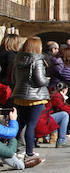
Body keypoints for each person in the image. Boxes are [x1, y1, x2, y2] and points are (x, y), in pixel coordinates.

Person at [11, 36, 49, 164]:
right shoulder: (37, 60)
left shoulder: (18, 59)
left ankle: (18, 150)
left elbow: (13, 78)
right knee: (31, 124)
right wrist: (48, 80)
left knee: (20, 124)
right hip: (35, 96)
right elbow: (39, 80)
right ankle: (29, 152)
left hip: (20, 94)